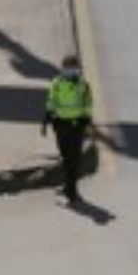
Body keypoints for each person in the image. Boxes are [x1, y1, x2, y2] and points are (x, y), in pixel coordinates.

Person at [41, 54, 94, 204]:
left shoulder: (83, 85)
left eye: (73, 68)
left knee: (74, 158)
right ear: (63, 68)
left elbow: (88, 104)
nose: (70, 70)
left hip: (77, 126)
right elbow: (51, 101)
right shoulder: (56, 83)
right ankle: (69, 187)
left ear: (77, 69)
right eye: (67, 68)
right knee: (66, 157)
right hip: (60, 125)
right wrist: (46, 119)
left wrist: (86, 120)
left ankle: (72, 190)